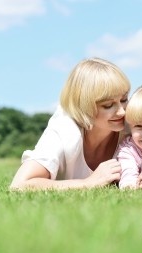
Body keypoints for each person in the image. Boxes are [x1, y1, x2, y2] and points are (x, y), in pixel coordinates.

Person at [10, 58, 131, 190]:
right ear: (84, 106)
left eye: (124, 99)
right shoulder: (65, 129)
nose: (121, 112)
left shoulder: (135, 125)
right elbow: (19, 185)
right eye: (108, 105)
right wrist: (88, 182)